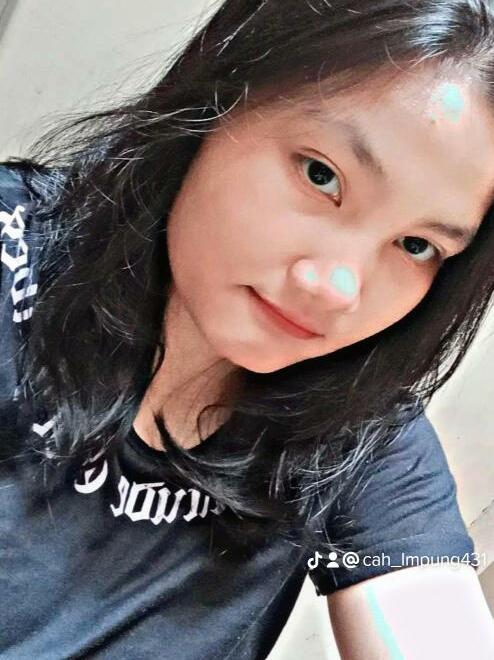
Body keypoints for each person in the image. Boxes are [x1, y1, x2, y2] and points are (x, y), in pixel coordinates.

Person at [1, 0, 494, 658]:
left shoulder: (355, 426)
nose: (337, 288)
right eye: (321, 175)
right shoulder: (15, 253)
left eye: (415, 245)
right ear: (220, 96)